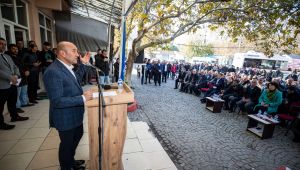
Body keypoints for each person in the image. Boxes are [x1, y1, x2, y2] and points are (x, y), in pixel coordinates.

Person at [43, 41, 93, 170]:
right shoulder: (53, 72)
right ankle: (66, 167)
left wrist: (85, 63)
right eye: (74, 51)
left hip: (74, 114)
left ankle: (71, 161)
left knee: (76, 137)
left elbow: (77, 79)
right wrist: (83, 98)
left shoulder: (66, 67)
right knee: (67, 144)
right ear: (62, 53)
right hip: (65, 117)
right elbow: (57, 101)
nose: (77, 54)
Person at [0, 38, 29, 130]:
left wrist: (16, 75)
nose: (3, 46)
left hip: (12, 83)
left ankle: (14, 116)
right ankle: (1, 123)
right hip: (2, 85)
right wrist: (10, 77)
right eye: (1, 44)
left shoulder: (7, 56)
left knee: (12, 101)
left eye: (5, 44)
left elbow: (15, 66)